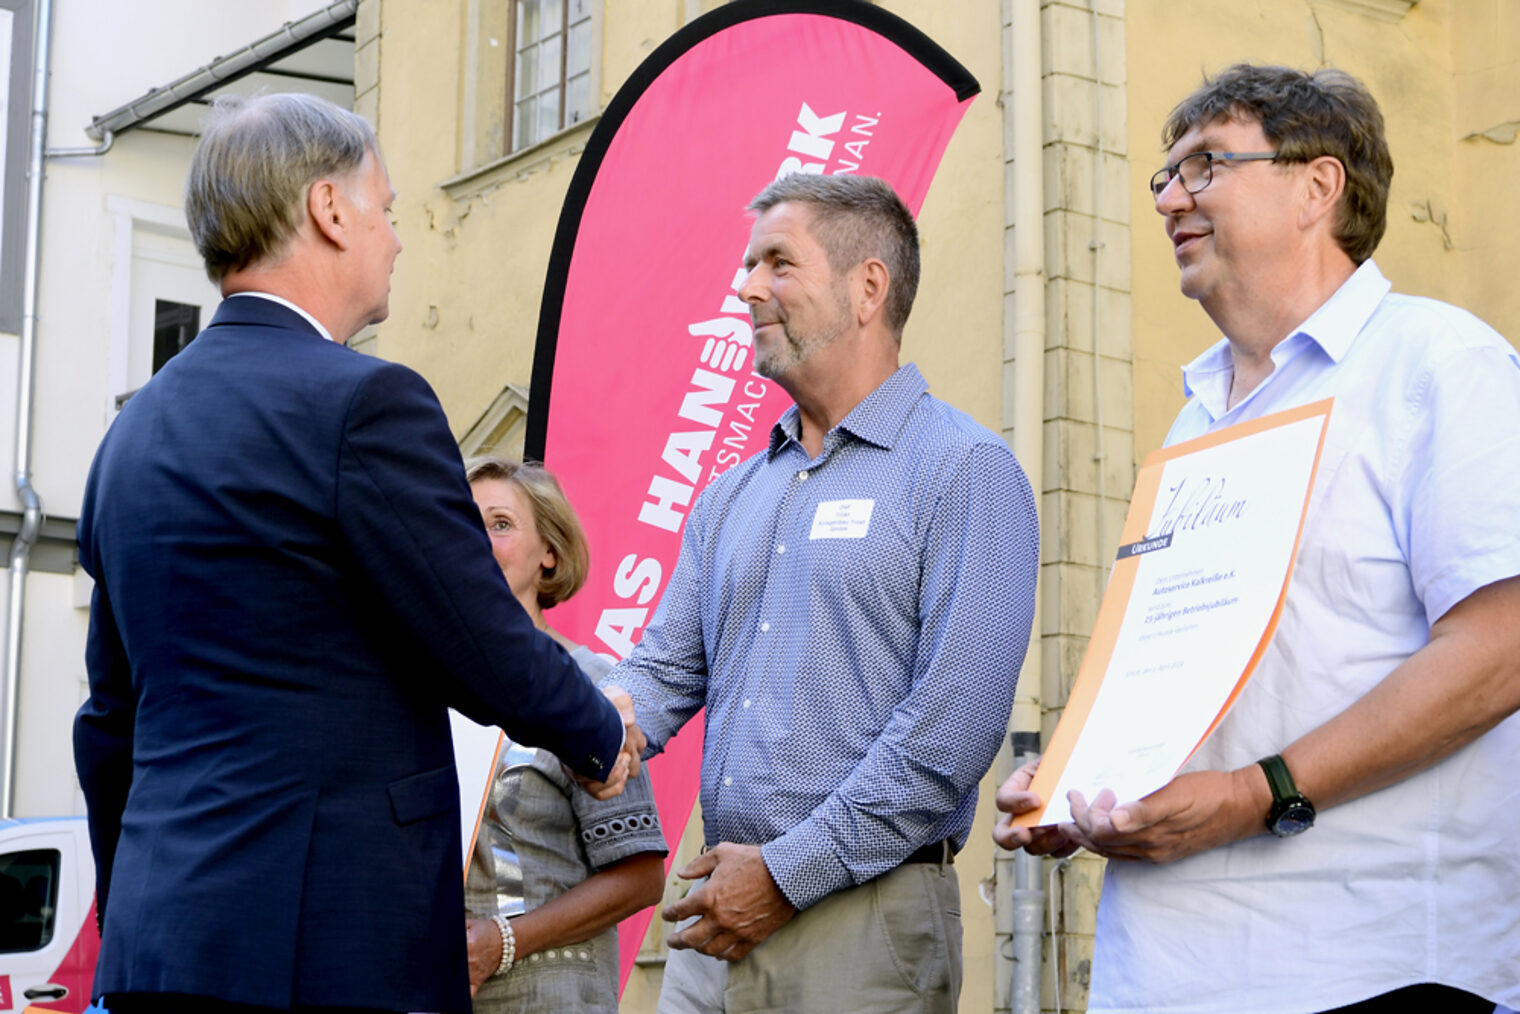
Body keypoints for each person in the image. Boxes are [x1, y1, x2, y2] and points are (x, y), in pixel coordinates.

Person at [72, 93, 643, 1014]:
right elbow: (480, 635)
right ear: (330, 210)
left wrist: (141, 899)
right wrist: (599, 732)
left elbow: (110, 721)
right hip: (323, 950)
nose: (398, 239)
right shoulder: (366, 405)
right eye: (386, 207)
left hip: (160, 948)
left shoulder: (132, 435)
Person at [995, 64, 1520, 1013]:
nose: (1170, 200)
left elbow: (1502, 647)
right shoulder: (1197, 417)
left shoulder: (1440, 363)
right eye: (1165, 177)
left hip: (1367, 966)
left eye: (1205, 166)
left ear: (1318, 187)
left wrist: (1255, 794)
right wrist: (1084, 784)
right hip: (1161, 974)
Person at [611, 173, 1040, 1013]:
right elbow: (660, 674)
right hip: (716, 923)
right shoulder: (729, 495)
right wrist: (567, 729)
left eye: (777, 263)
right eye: (749, 265)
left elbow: (950, 733)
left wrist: (786, 875)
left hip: (864, 925)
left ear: (867, 287)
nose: (746, 288)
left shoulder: (965, 471)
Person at [460, 458, 667, 1012]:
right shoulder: (421, 687)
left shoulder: (587, 684)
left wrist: (501, 943)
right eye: (462, 521)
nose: (478, 539)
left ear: (548, 552)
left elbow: (642, 877)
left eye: (501, 523)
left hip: (549, 996)